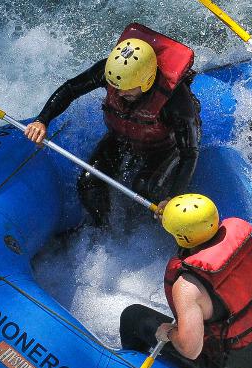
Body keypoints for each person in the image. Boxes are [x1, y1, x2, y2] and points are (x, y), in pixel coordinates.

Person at [24, 24, 201, 226]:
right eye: (115, 87)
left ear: (147, 80)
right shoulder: (112, 73)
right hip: (120, 138)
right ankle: (103, 227)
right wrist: (42, 120)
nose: (118, 93)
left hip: (166, 148)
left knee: (145, 190)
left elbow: (189, 153)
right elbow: (71, 89)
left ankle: (139, 228)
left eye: (126, 89)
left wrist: (173, 197)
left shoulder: (176, 102)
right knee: (88, 183)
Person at [118, 194, 252, 368]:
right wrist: (172, 214)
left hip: (231, 365)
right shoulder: (240, 239)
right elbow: (201, 233)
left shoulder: (187, 287)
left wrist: (169, 332)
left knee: (132, 316)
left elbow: (190, 350)